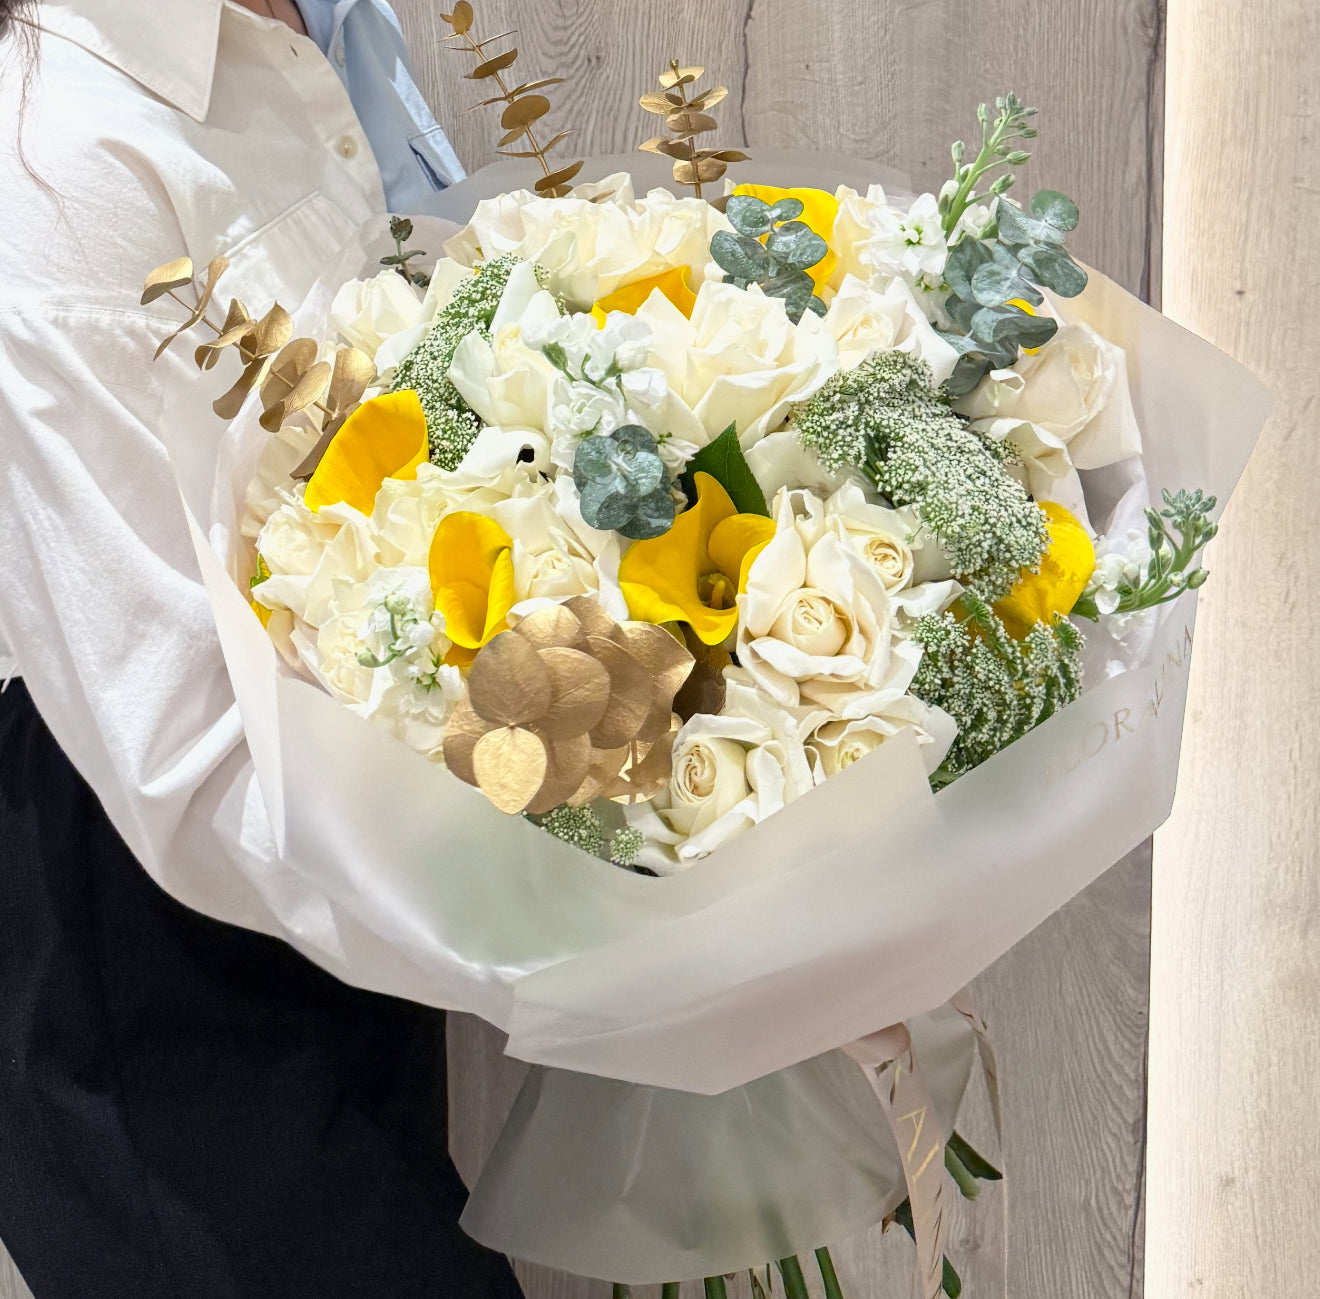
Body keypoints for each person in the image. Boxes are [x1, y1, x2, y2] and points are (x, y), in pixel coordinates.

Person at [0, 2, 523, 1295]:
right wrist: (632, 943)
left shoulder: (327, 25)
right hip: (154, 871)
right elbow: (180, 762)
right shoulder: (68, 153)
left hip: (337, 806)